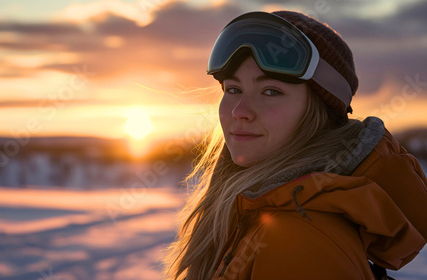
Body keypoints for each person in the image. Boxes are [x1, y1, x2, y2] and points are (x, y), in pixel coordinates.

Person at [163, 10, 427, 280]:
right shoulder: (255, 207)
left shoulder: (298, 238)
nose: (240, 111)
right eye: (233, 89)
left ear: (317, 113)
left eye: (271, 91)